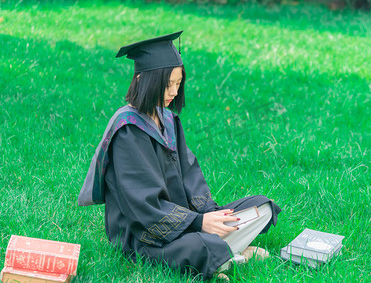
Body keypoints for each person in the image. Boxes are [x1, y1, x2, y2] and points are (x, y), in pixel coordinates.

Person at [78, 31, 281, 281]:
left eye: (178, 83)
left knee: (262, 207)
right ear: (142, 80)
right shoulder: (128, 130)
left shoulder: (169, 119)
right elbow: (143, 205)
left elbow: (191, 174)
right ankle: (227, 253)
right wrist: (198, 223)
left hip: (186, 222)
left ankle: (223, 252)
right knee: (199, 246)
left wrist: (209, 215)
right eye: (167, 84)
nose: (173, 92)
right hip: (144, 235)